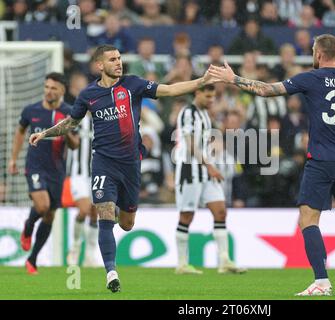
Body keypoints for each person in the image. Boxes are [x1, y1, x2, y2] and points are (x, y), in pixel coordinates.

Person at [209, 34, 335, 296]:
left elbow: (265, 90)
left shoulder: (311, 77)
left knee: (307, 219)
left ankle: (322, 281)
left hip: (321, 159)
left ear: (318, 54)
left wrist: (233, 79)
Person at [28, 45, 217, 293]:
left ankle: (116, 222)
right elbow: (70, 123)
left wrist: (201, 81)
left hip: (130, 165)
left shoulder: (133, 84)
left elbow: (170, 89)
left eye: (119, 58)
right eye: (112, 59)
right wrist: (46, 133)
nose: (118, 62)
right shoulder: (88, 95)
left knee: (126, 224)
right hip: (103, 163)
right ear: (99, 65)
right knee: (105, 217)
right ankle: (111, 273)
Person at [8, 72, 79, 274]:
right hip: (35, 167)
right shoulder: (31, 110)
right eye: (47, 87)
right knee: (42, 205)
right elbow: (20, 131)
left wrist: (65, 133)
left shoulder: (70, 113)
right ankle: (28, 226)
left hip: (57, 170)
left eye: (53, 88)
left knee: (49, 216)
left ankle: (32, 259)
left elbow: (75, 145)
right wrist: (13, 159)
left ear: (62, 91)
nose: (49, 91)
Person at [174, 84, 247, 275]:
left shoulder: (205, 114)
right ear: (197, 93)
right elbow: (189, 145)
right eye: (207, 96)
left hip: (206, 170)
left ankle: (224, 260)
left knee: (220, 211)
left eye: (213, 97)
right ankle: (181, 264)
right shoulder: (188, 113)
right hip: (190, 169)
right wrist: (210, 165)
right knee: (187, 216)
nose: (211, 100)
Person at [66, 112, 99, 267]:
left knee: (94, 212)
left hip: (97, 173)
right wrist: (67, 133)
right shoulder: (76, 120)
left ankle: (90, 255)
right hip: (78, 173)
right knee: (84, 209)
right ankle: (75, 247)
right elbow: (72, 144)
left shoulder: (103, 120)